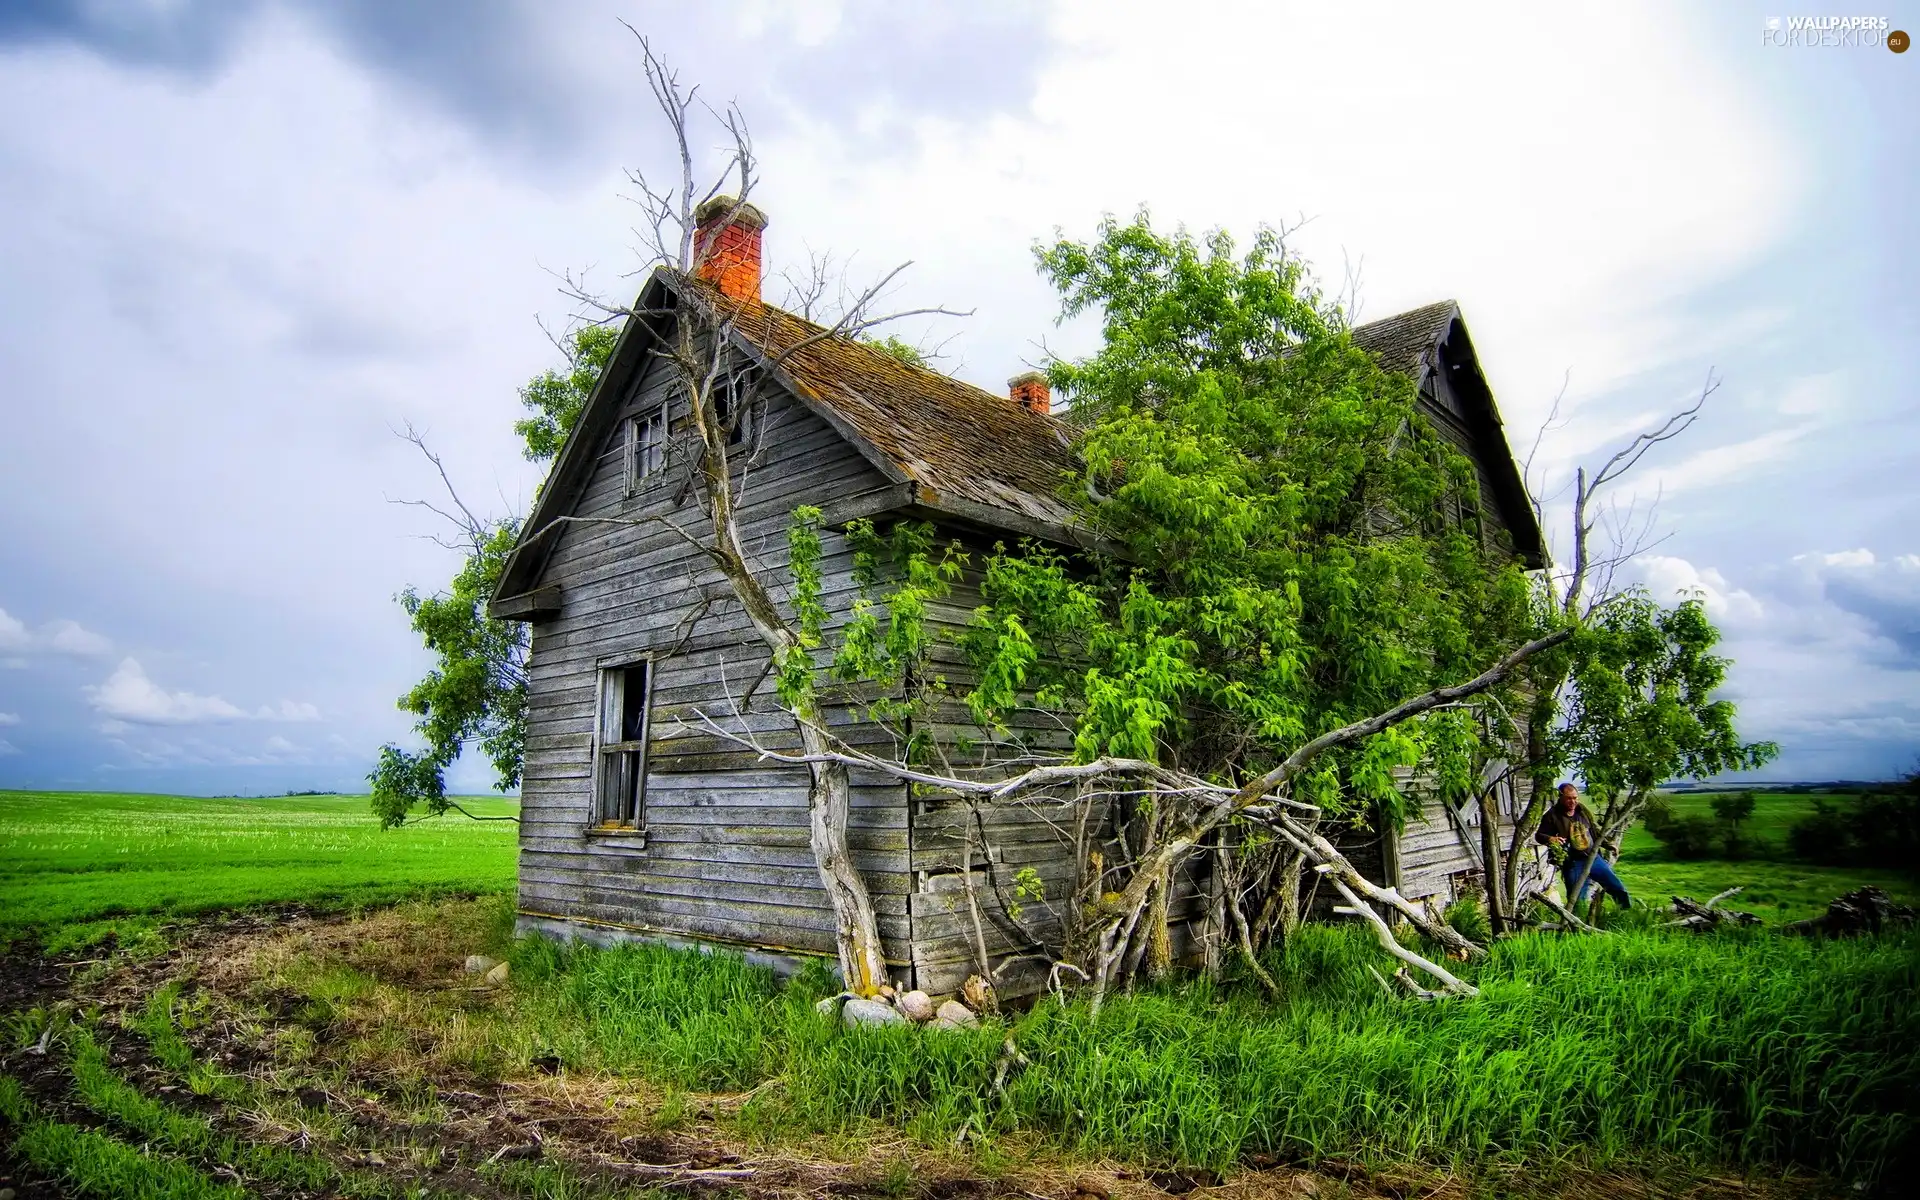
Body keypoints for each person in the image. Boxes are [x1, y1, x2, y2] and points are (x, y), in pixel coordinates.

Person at [1535, 782, 1631, 909]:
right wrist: (1551, 838)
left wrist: (1608, 845)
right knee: (1576, 900)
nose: (1573, 801)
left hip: (1593, 858)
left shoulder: (1582, 810)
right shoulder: (1551, 816)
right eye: (1569, 798)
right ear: (1561, 797)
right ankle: (1575, 925)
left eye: (1575, 798)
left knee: (1617, 887)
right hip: (1573, 863)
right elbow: (1539, 835)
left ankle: (1626, 913)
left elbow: (1594, 831)